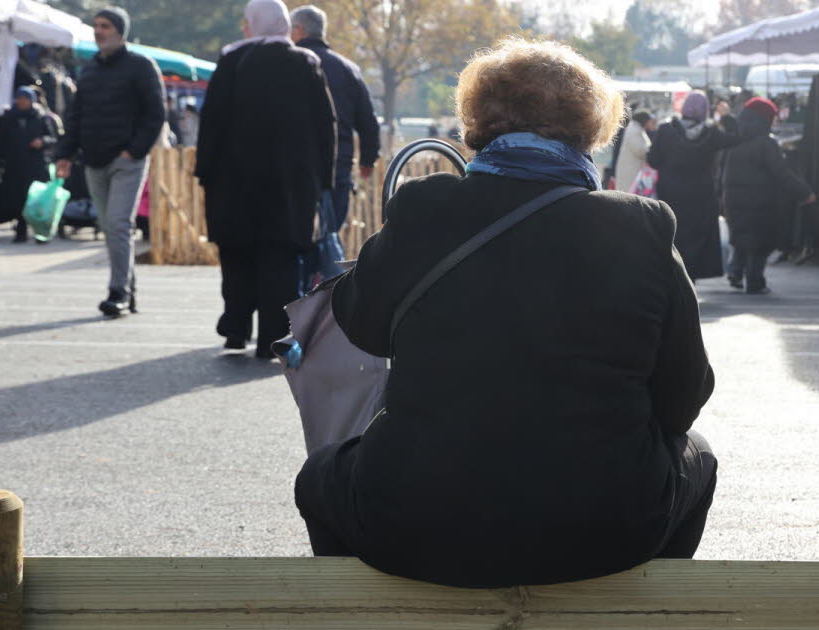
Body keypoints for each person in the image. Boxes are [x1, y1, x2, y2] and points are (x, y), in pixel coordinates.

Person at [295, 38, 717, 589]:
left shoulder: (426, 207)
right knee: (699, 458)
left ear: (478, 123)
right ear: (589, 130)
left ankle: (372, 614)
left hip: (419, 520)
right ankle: (635, 614)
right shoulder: (641, 225)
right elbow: (685, 394)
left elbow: (363, 326)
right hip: (605, 526)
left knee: (318, 479)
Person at [196, 0, 336, 359]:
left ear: (253, 24)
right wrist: (323, 178)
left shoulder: (231, 63)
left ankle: (235, 327)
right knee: (281, 259)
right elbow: (326, 127)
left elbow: (211, 124)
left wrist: (205, 172)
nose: (243, 28)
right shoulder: (305, 64)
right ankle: (272, 336)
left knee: (237, 253)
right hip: (289, 185)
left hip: (234, 182)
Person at [56, 6, 165, 318]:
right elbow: (76, 116)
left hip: (126, 161)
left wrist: (134, 150)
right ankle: (127, 288)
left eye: (104, 26)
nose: (98, 30)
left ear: (120, 31)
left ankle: (117, 292)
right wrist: (65, 152)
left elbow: (155, 113)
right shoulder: (89, 70)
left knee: (118, 224)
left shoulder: (141, 66)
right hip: (94, 161)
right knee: (108, 226)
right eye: (96, 25)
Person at [291, 5, 380, 232]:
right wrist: (367, 160)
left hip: (295, 165)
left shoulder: (288, 65)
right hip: (339, 164)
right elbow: (368, 121)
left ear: (299, 30)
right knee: (330, 231)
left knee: (299, 235)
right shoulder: (347, 69)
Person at [723, 97, 815, 295]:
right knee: (760, 243)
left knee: (741, 237)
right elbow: (782, 173)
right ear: (765, 119)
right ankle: (755, 282)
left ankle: (736, 271)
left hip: (732, 198)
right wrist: (804, 193)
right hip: (761, 201)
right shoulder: (766, 143)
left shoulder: (732, 139)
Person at [647, 91, 739, 283]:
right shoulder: (711, 133)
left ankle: (671, 279)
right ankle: (689, 283)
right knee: (697, 239)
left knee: (672, 236)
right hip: (701, 196)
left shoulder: (665, 129)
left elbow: (653, 160)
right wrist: (727, 117)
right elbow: (735, 138)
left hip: (670, 194)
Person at [0, 86, 59, 243]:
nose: (22, 102)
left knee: (38, 201)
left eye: (25, 99)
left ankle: (40, 233)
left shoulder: (41, 117)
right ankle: (21, 231)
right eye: (19, 99)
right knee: (18, 200)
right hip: (14, 166)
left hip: (36, 166)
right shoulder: (8, 118)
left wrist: (42, 141)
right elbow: (0, 143)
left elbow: (53, 138)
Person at [614, 110, 653, 193]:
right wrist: (651, 151)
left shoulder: (636, 129)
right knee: (629, 191)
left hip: (632, 167)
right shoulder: (634, 130)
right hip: (631, 169)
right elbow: (639, 150)